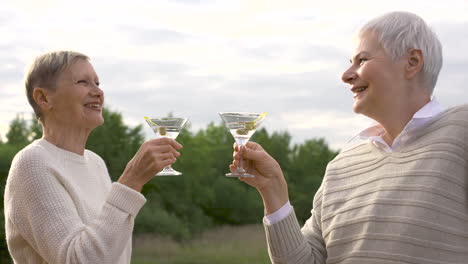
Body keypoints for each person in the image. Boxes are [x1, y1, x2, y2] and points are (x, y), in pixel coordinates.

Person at [231, 11, 468, 263]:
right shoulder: (341, 166)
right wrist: (272, 189)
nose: (346, 75)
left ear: (412, 62)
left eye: (362, 60)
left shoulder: (461, 131)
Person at [4, 51, 183, 263]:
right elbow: (79, 259)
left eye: (97, 82)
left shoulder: (96, 163)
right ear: (43, 98)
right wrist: (132, 179)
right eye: (83, 82)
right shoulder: (33, 164)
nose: (98, 92)